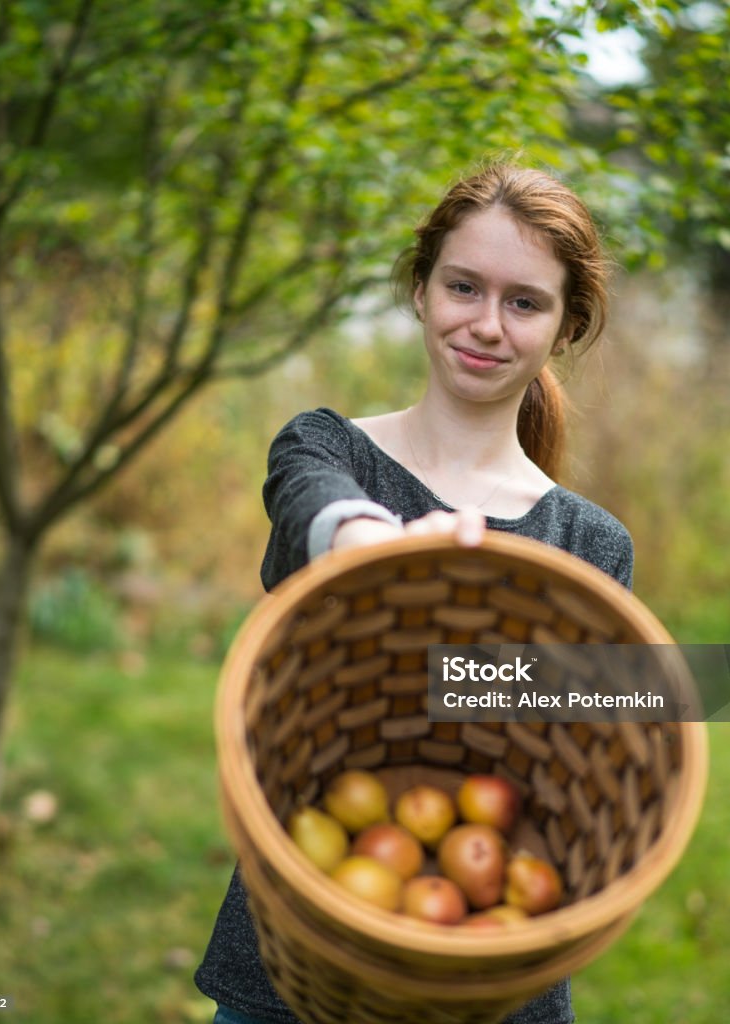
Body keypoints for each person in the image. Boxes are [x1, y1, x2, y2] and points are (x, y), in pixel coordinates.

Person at [195, 162, 633, 1024]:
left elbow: (584, 759)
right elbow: (313, 509)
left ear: (565, 324)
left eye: (524, 302)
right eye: (463, 286)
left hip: (488, 973)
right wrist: (374, 551)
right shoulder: (328, 449)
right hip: (298, 953)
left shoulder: (588, 544)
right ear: (420, 288)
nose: (484, 325)